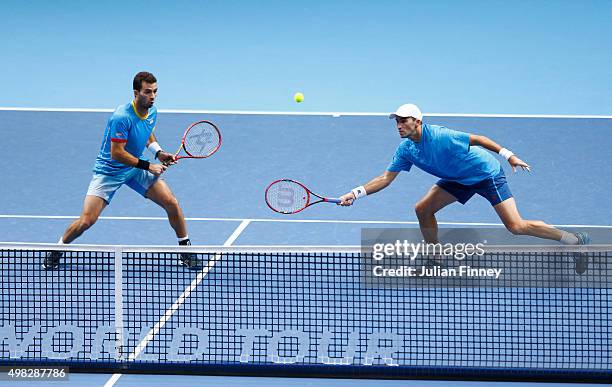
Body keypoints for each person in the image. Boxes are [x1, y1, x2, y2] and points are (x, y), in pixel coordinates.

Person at [339, 103, 590, 274]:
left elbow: (478, 138)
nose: (398, 125)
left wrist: (509, 155)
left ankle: (574, 240)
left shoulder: (440, 136)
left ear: (417, 121)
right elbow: (385, 178)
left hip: (484, 174)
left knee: (516, 226)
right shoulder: (406, 149)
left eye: (403, 121)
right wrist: (355, 193)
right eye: (396, 121)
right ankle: (436, 258)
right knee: (423, 209)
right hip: (456, 178)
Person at [43, 72, 200, 270]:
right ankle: (58, 248)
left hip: (133, 168)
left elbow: (147, 131)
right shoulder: (121, 117)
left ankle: (184, 250)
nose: (152, 96)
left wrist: (158, 152)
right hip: (110, 171)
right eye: (148, 92)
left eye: (155, 92)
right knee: (87, 221)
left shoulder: (152, 111)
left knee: (171, 202)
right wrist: (149, 166)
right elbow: (117, 153)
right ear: (136, 93)